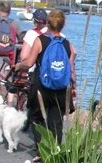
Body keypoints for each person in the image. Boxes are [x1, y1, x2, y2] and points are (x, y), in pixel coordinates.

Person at [14, 9, 77, 152]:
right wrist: (74, 86)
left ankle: (42, 150)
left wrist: (19, 65)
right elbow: (71, 68)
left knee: (37, 117)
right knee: (56, 122)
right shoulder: (67, 44)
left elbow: (29, 62)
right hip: (60, 87)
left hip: (41, 85)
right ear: (62, 25)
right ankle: (54, 153)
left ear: (47, 23)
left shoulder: (40, 40)